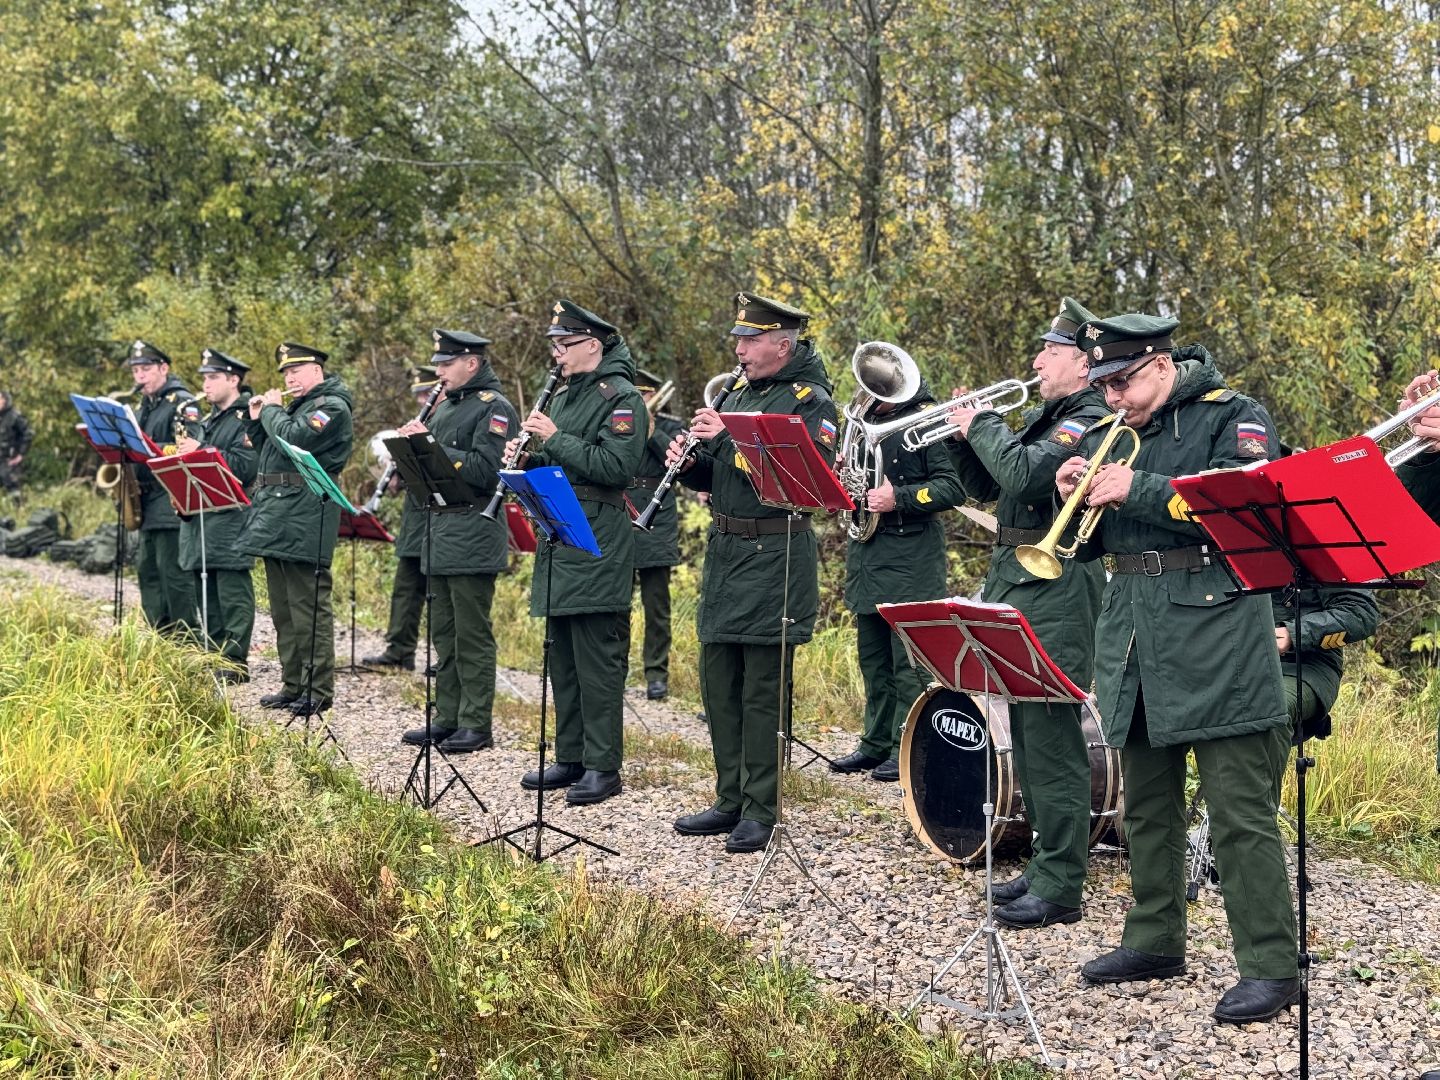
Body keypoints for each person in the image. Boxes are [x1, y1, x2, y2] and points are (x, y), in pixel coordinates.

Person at [1054, 313, 1299, 1024]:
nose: (1112, 399)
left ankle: (1272, 966)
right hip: (1131, 636)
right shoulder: (1117, 431)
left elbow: (1245, 503)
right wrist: (1078, 488)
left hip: (1217, 632)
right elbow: (1101, 548)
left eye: (1122, 382)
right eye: (1102, 386)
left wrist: (1137, 489)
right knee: (1148, 808)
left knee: (1239, 816)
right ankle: (1155, 939)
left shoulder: (1235, 416)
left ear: (1162, 364)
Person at [942, 297, 1110, 929]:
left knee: (1054, 738)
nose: (1037, 361)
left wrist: (981, 423)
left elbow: (1022, 473)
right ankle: (1044, 866)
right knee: (1028, 731)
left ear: (1084, 364)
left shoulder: (1089, 418)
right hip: (1018, 575)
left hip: (1060, 583)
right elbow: (988, 486)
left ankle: (1063, 883)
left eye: (1051, 352)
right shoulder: (1049, 415)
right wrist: (964, 437)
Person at [669, 292, 839, 854]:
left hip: (775, 556)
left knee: (762, 692)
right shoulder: (737, 391)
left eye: (749, 339)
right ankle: (728, 798)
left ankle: (761, 809)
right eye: (738, 339)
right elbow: (723, 476)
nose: (739, 349)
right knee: (719, 684)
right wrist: (691, 461)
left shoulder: (811, 401)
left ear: (781, 344)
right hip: (725, 553)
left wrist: (728, 439)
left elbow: (801, 482)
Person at [505, 300, 646, 805]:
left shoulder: (623, 398)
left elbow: (614, 466)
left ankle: (603, 766)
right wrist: (527, 456)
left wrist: (555, 439)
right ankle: (569, 756)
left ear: (593, 345)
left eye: (564, 345)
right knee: (561, 656)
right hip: (560, 535)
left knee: (597, 661)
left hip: (598, 538)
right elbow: (555, 459)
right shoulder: (564, 394)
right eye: (554, 346)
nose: (557, 355)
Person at [831, 368, 962, 782]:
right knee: (873, 659)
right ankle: (876, 743)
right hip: (867, 552)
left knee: (910, 663)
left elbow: (952, 488)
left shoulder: (926, 418)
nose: (873, 391)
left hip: (911, 556)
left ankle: (911, 746)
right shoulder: (861, 416)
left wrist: (898, 498)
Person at [397, 330, 519, 754]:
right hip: (440, 531)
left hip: (472, 531)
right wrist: (410, 451)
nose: (438, 372)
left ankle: (475, 722)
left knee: (471, 634)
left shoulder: (495, 408)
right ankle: (447, 716)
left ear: (471, 363)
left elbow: (488, 471)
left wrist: (430, 447)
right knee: (444, 634)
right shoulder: (445, 405)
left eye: (446, 364)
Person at [242, 342, 354, 717]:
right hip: (278, 511)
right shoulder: (299, 407)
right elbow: (271, 449)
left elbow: (295, 439)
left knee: (308, 607)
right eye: (286, 373)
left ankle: (317, 688)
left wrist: (272, 410)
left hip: (307, 511)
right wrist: (257, 419)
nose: (290, 377)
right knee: (283, 610)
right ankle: (293, 684)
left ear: (318, 371)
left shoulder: (332, 407)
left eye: (297, 369)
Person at [175, 349, 258, 680]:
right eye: (204, 378)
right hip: (200, 518)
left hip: (230, 518)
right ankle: (212, 654)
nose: (205, 385)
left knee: (232, 591)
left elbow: (244, 467)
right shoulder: (206, 421)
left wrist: (202, 452)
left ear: (233, 380)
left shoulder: (246, 419)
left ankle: (235, 660)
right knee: (204, 589)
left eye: (213, 378)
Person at [362, 367, 442, 673]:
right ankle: (399, 650)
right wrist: (394, 474)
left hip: (441, 516)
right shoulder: (415, 425)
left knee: (439, 591)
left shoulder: (446, 421)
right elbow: (406, 480)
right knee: (406, 587)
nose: (424, 398)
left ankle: (442, 657)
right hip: (414, 516)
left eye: (427, 392)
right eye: (420, 394)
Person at [128, 339, 201, 636]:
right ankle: (159, 633)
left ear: (164, 368)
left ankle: (186, 637)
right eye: (135, 370)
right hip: (144, 496)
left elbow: (188, 447)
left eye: (146, 369)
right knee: (147, 569)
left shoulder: (183, 403)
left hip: (169, 494)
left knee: (173, 571)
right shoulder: (143, 405)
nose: (139, 376)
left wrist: (144, 448)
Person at [627, 367, 685, 700]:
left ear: (651, 397)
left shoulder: (670, 426)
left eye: (640, 397)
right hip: (623, 512)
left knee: (656, 604)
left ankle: (656, 673)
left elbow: (676, 464)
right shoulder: (617, 424)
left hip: (656, 516)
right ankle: (615, 667)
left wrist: (650, 430)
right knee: (617, 601)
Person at [0, 390, 33, 503]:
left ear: (4, 400)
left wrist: (21, 454)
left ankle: (18, 512)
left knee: (13, 488)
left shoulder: (14, 416)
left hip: (9, 459)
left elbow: (28, 434)